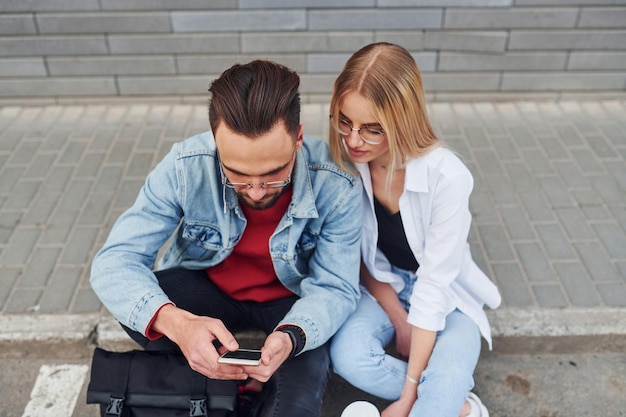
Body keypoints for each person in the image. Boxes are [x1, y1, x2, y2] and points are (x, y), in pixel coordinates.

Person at [90, 60, 363, 417]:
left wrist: (293, 335)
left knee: (299, 401)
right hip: (209, 293)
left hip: (292, 303)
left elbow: (336, 287)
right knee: (141, 311)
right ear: (215, 138)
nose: (254, 190)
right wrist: (180, 324)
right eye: (236, 173)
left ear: (298, 137)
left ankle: (240, 384)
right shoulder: (186, 165)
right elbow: (114, 262)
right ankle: (221, 381)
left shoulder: (337, 183)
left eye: (273, 174)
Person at [328, 42, 502, 417]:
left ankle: (442, 399)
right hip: (383, 288)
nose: (353, 140)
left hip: (449, 301)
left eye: (372, 129)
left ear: (401, 120)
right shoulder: (345, 165)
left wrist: (408, 395)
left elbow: (436, 284)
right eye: (345, 121)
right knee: (349, 357)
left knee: (434, 394)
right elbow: (356, 256)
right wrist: (397, 318)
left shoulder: (447, 177)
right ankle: (460, 407)